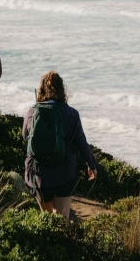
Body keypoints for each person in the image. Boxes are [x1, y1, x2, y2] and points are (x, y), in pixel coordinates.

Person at [22, 71, 97, 221]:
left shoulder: (31, 111)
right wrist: (91, 164)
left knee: (47, 219)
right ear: (62, 89)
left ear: (41, 89)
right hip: (63, 173)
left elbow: (25, 137)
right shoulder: (71, 114)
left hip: (38, 174)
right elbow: (81, 143)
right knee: (62, 220)